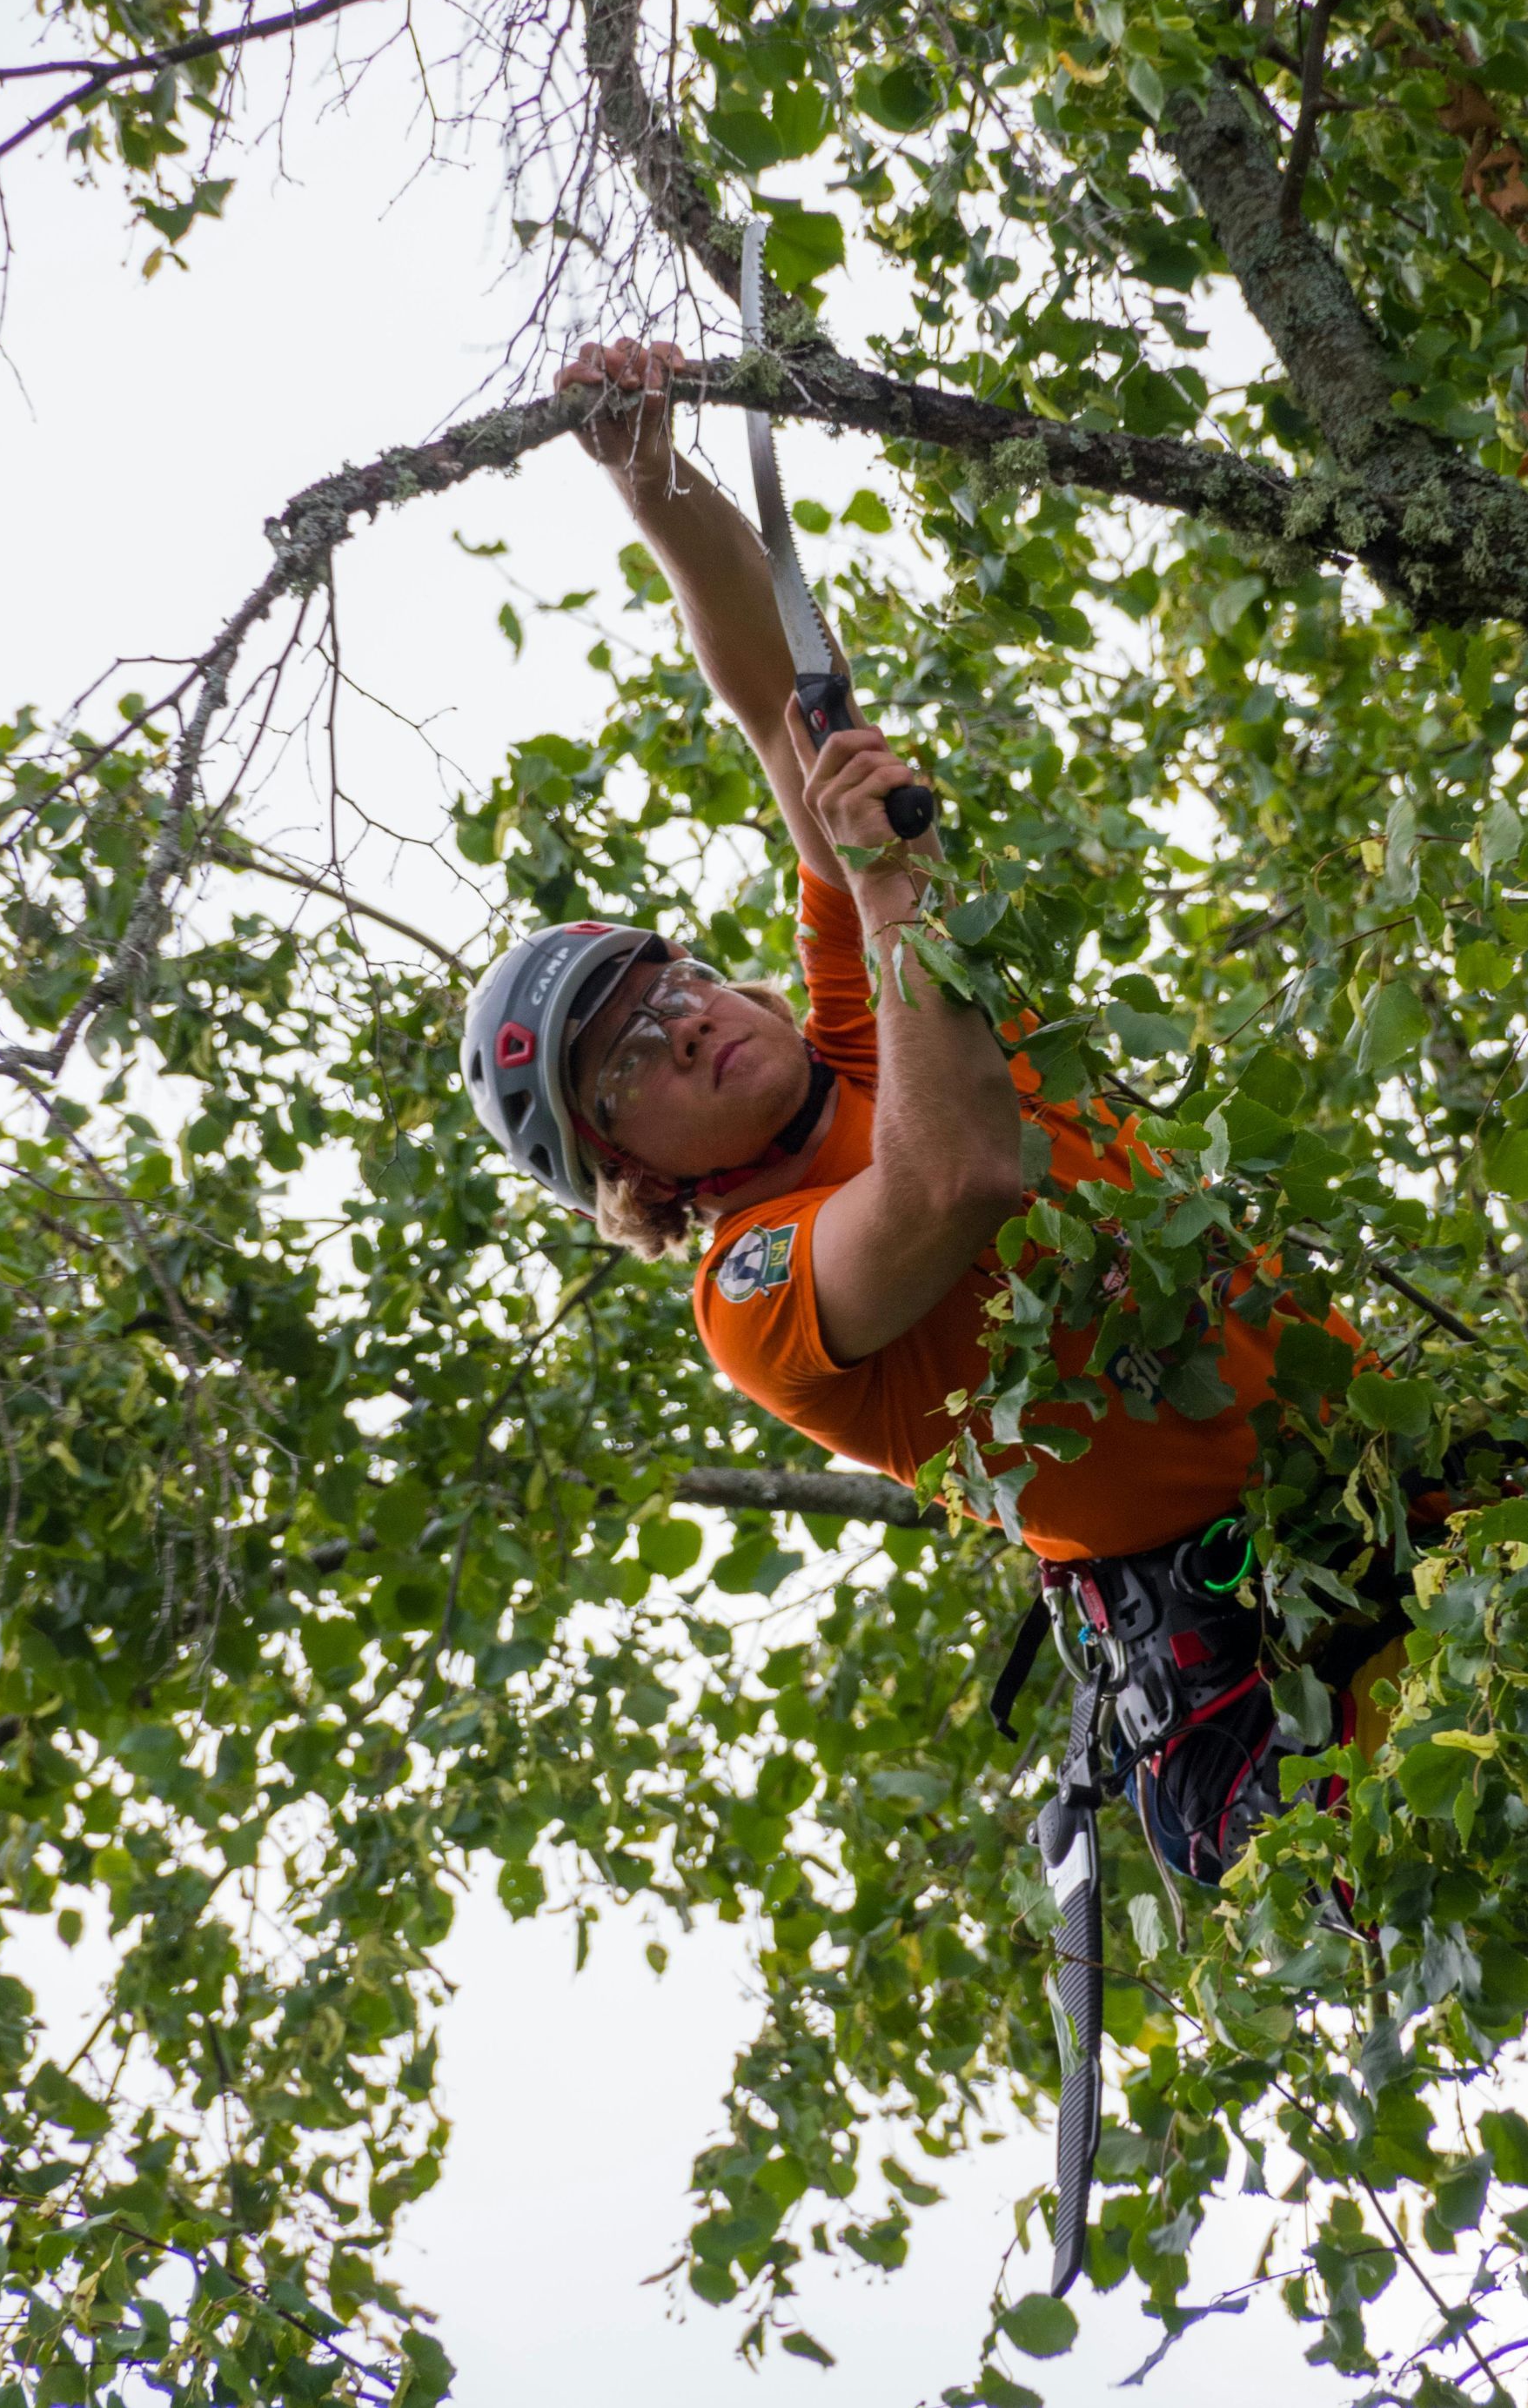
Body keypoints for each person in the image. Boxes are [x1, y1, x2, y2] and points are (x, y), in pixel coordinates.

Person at [463, 338, 1390, 1885]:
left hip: (1388, 1486)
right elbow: (961, 1177)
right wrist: (890, 879)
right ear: (626, 1168)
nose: (681, 1024)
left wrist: (653, 477)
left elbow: (779, 713)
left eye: (669, 981)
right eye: (624, 1059)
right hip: (1246, 1663)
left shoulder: (861, 1015)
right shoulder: (749, 1285)